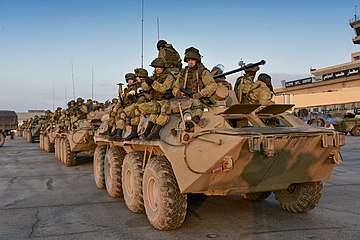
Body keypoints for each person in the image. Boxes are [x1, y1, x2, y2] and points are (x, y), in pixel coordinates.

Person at [129, 57, 174, 141]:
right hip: (153, 101)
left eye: (159, 67)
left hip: (164, 101)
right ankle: (134, 132)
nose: (157, 69)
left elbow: (164, 89)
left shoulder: (169, 77)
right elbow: (144, 87)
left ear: (163, 68)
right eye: (155, 67)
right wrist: (147, 82)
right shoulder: (154, 77)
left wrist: (153, 83)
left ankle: (153, 132)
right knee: (135, 108)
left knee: (156, 107)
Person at [172, 47, 217, 126]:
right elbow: (175, 87)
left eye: (192, 60)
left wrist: (200, 94)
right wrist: (178, 93)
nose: (190, 62)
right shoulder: (183, 73)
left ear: (197, 60)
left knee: (197, 104)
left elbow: (212, 85)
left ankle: (194, 120)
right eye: (188, 60)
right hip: (184, 100)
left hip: (199, 99)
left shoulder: (203, 72)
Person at [107, 73, 138, 141]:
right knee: (112, 113)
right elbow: (121, 100)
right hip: (125, 105)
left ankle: (118, 133)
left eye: (131, 80)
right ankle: (111, 130)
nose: (130, 81)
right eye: (128, 80)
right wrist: (116, 107)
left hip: (131, 105)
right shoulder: (127, 89)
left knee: (121, 114)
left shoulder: (135, 87)